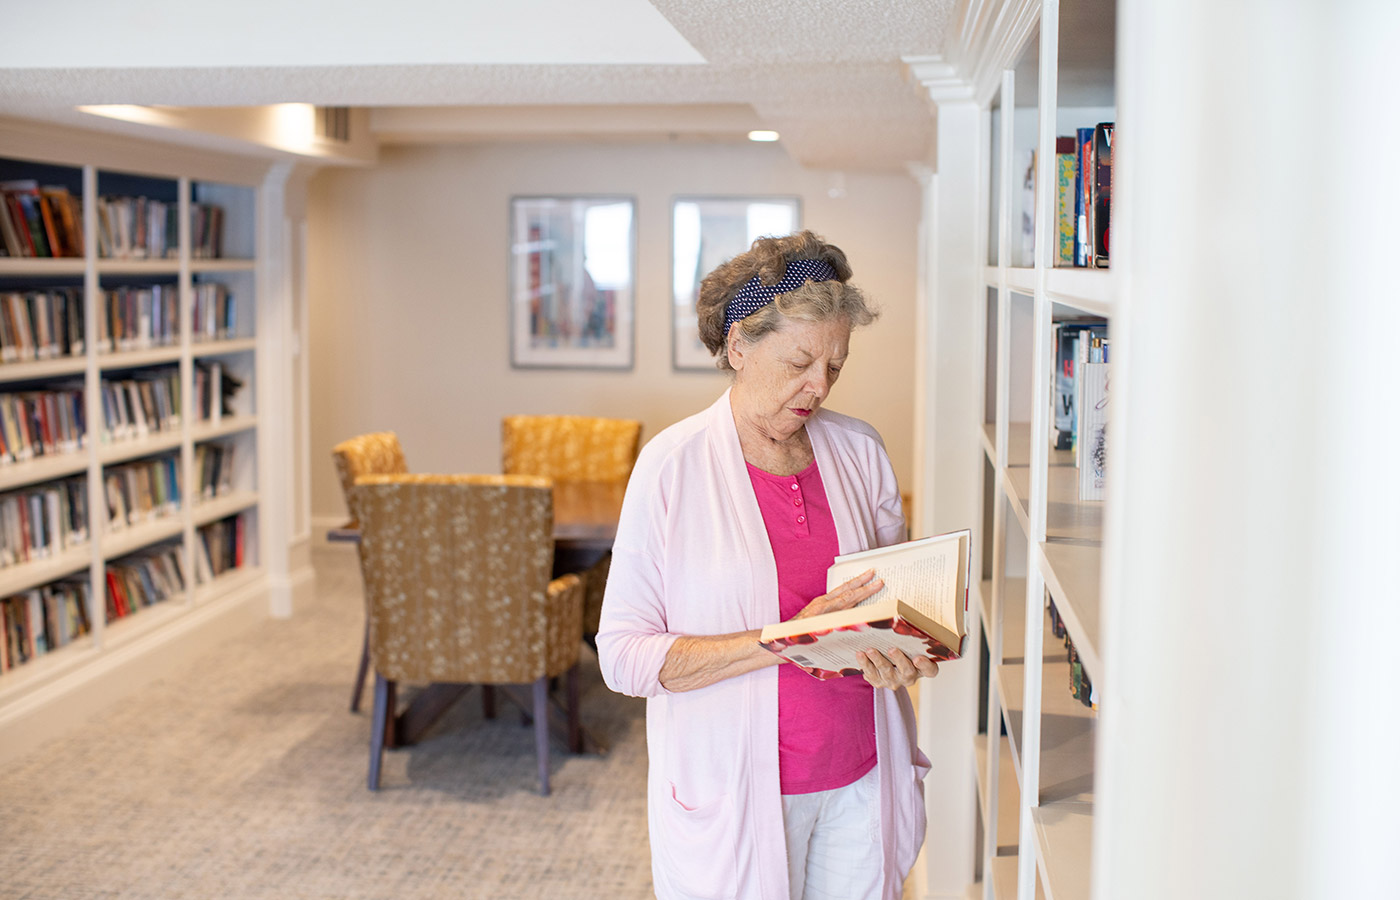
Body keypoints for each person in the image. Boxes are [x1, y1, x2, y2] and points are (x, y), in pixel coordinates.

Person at [597, 231, 936, 900]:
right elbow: (624, 657)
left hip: (863, 780)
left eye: (836, 365)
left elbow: (888, 612)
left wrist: (906, 651)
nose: (819, 386)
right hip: (738, 792)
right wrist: (788, 638)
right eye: (800, 361)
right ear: (738, 346)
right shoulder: (672, 467)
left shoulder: (860, 450)